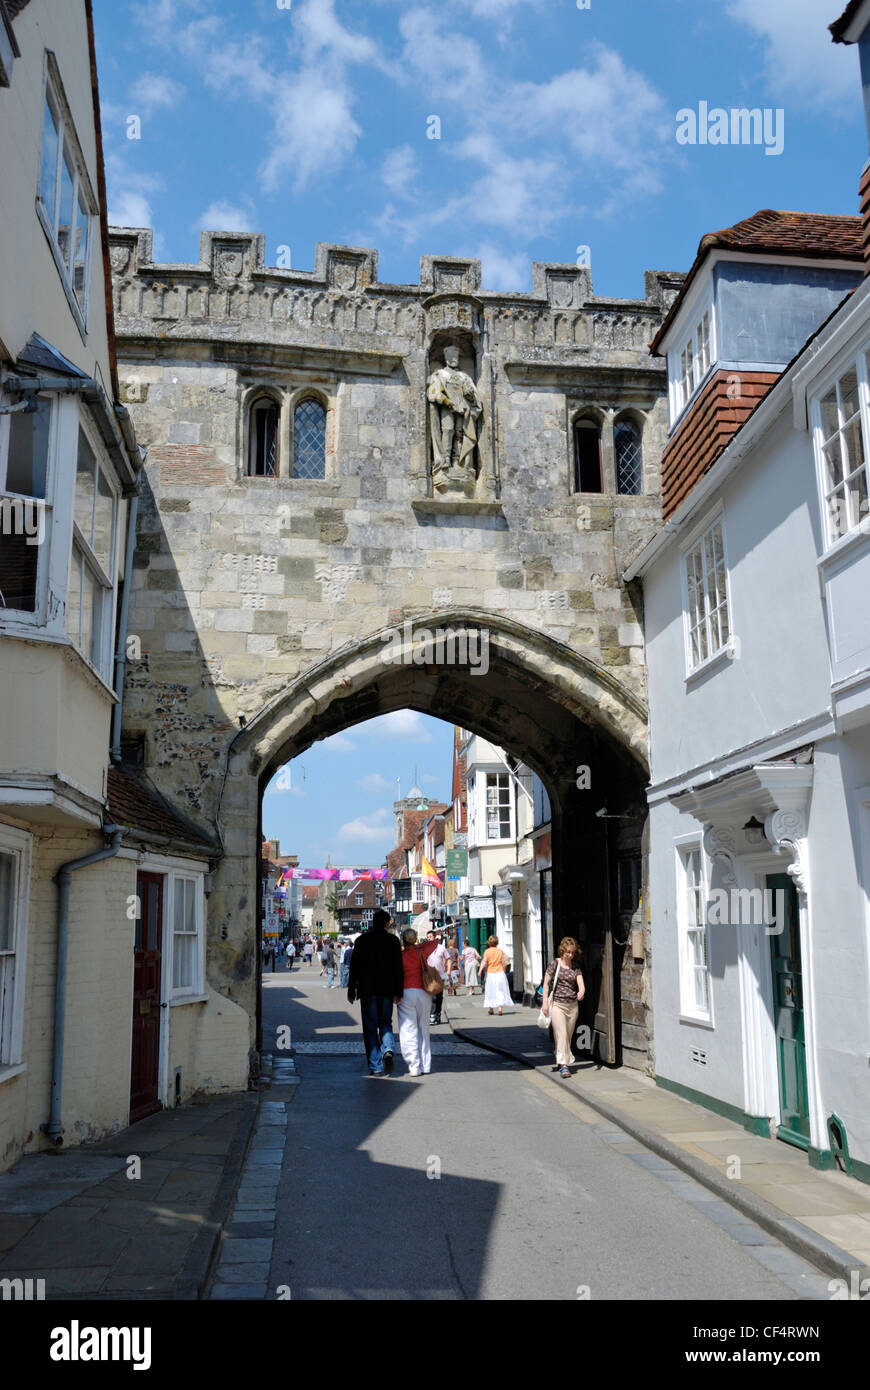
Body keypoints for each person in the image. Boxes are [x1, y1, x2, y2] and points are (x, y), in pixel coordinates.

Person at [348, 909, 404, 1076]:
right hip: (387, 990)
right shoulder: (393, 941)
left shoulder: (361, 941)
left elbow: (354, 967)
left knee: (370, 1026)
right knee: (385, 1022)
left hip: (367, 990)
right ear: (387, 924)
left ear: (373, 922)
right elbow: (398, 969)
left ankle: (376, 1066)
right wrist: (398, 991)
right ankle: (388, 1049)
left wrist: (352, 990)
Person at [541, 937, 586, 1079]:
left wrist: (581, 992)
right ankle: (564, 1065)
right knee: (561, 1034)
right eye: (567, 952)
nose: (570, 955)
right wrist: (545, 1003)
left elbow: (581, 984)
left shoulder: (575, 967)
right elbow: (546, 983)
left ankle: (562, 1056)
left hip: (572, 1006)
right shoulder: (555, 964)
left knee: (567, 1035)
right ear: (562, 951)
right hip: (557, 1005)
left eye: (572, 952)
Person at [397, 927, 438, 1076]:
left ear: (402, 940)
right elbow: (435, 942)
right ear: (415, 939)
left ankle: (414, 1065)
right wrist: (418, 944)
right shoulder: (421, 951)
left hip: (406, 992)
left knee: (408, 1029)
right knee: (423, 1028)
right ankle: (425, 1065)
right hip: (423, 992)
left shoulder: (400, 956)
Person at [480, 935, 513, 1015]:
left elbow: (484, 961)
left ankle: (491, 1009)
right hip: (500, 973)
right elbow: (507, 958)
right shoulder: (499, 951)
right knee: (500, 990)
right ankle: (500, 1008)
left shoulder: (487, 951)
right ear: (497, 942)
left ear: (489, 942)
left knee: (491, 990)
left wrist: (480, 970)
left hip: (491, 974)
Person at [427, 933, 449, 1025]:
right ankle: (432, 1015)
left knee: (439, 996)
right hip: (429, 976)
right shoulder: (425, 948)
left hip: (440, 975)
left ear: (435, 937)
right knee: (432, 996)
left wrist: (448, 970)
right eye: (427, 937)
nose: (429, 939)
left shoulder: (441, 947)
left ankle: (438, 1014)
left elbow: (448, 958)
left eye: (430, 937)